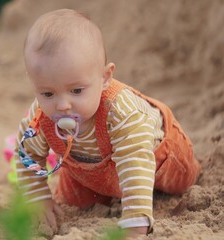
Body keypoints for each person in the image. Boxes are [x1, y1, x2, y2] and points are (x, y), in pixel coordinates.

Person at [14, 9, 201, 238]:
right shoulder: (40, 115)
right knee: (71, 202)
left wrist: (135, 222)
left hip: (156, 155)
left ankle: (188, 172)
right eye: (47, 93)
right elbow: (27, 155)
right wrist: (39, 197)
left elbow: (135, 162)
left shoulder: (121, 112)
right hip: (90, 170)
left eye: (76, 90)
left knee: (183, 182)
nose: (63, 105)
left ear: (104, 78)